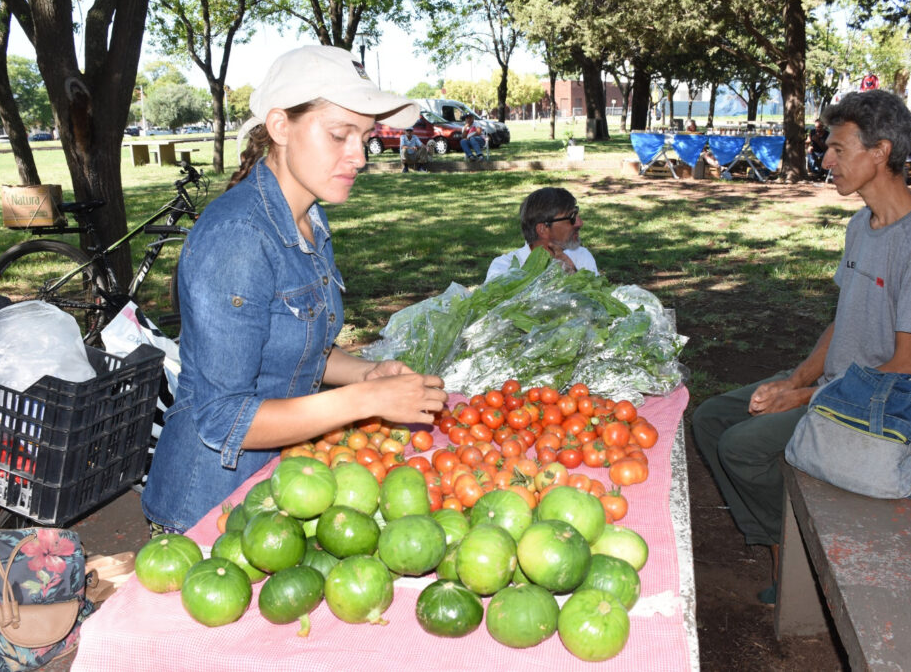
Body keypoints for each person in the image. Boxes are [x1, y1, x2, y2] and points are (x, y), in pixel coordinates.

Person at [141, 45, 448, 534]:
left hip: (277, 488)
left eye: (365, 137)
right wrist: (366, 402)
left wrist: (368, 376)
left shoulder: (308, 216)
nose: (360, 157)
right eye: (339, 134)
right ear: (280, 127)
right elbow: (223, 419)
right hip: (208, 512)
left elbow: (293, 347)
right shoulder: (240, 237)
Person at [692, 90, 911, 605]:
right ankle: (777, 534)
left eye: (838, 149)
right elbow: (842, 323)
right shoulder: (863, 223)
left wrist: (803, 398)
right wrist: (797, 378)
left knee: (742, 447)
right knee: (710, 417)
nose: (825, 160)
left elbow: (907, 366)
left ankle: (789, 554)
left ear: (880, 153)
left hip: (888, 410)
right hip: (837, 388)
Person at [485, 187, 598, 282]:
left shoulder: (581, 256)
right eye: (572, 218)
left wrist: (574, 276)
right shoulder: (503, 268)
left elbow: (598, 305)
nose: (580, 223)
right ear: (543, 229)